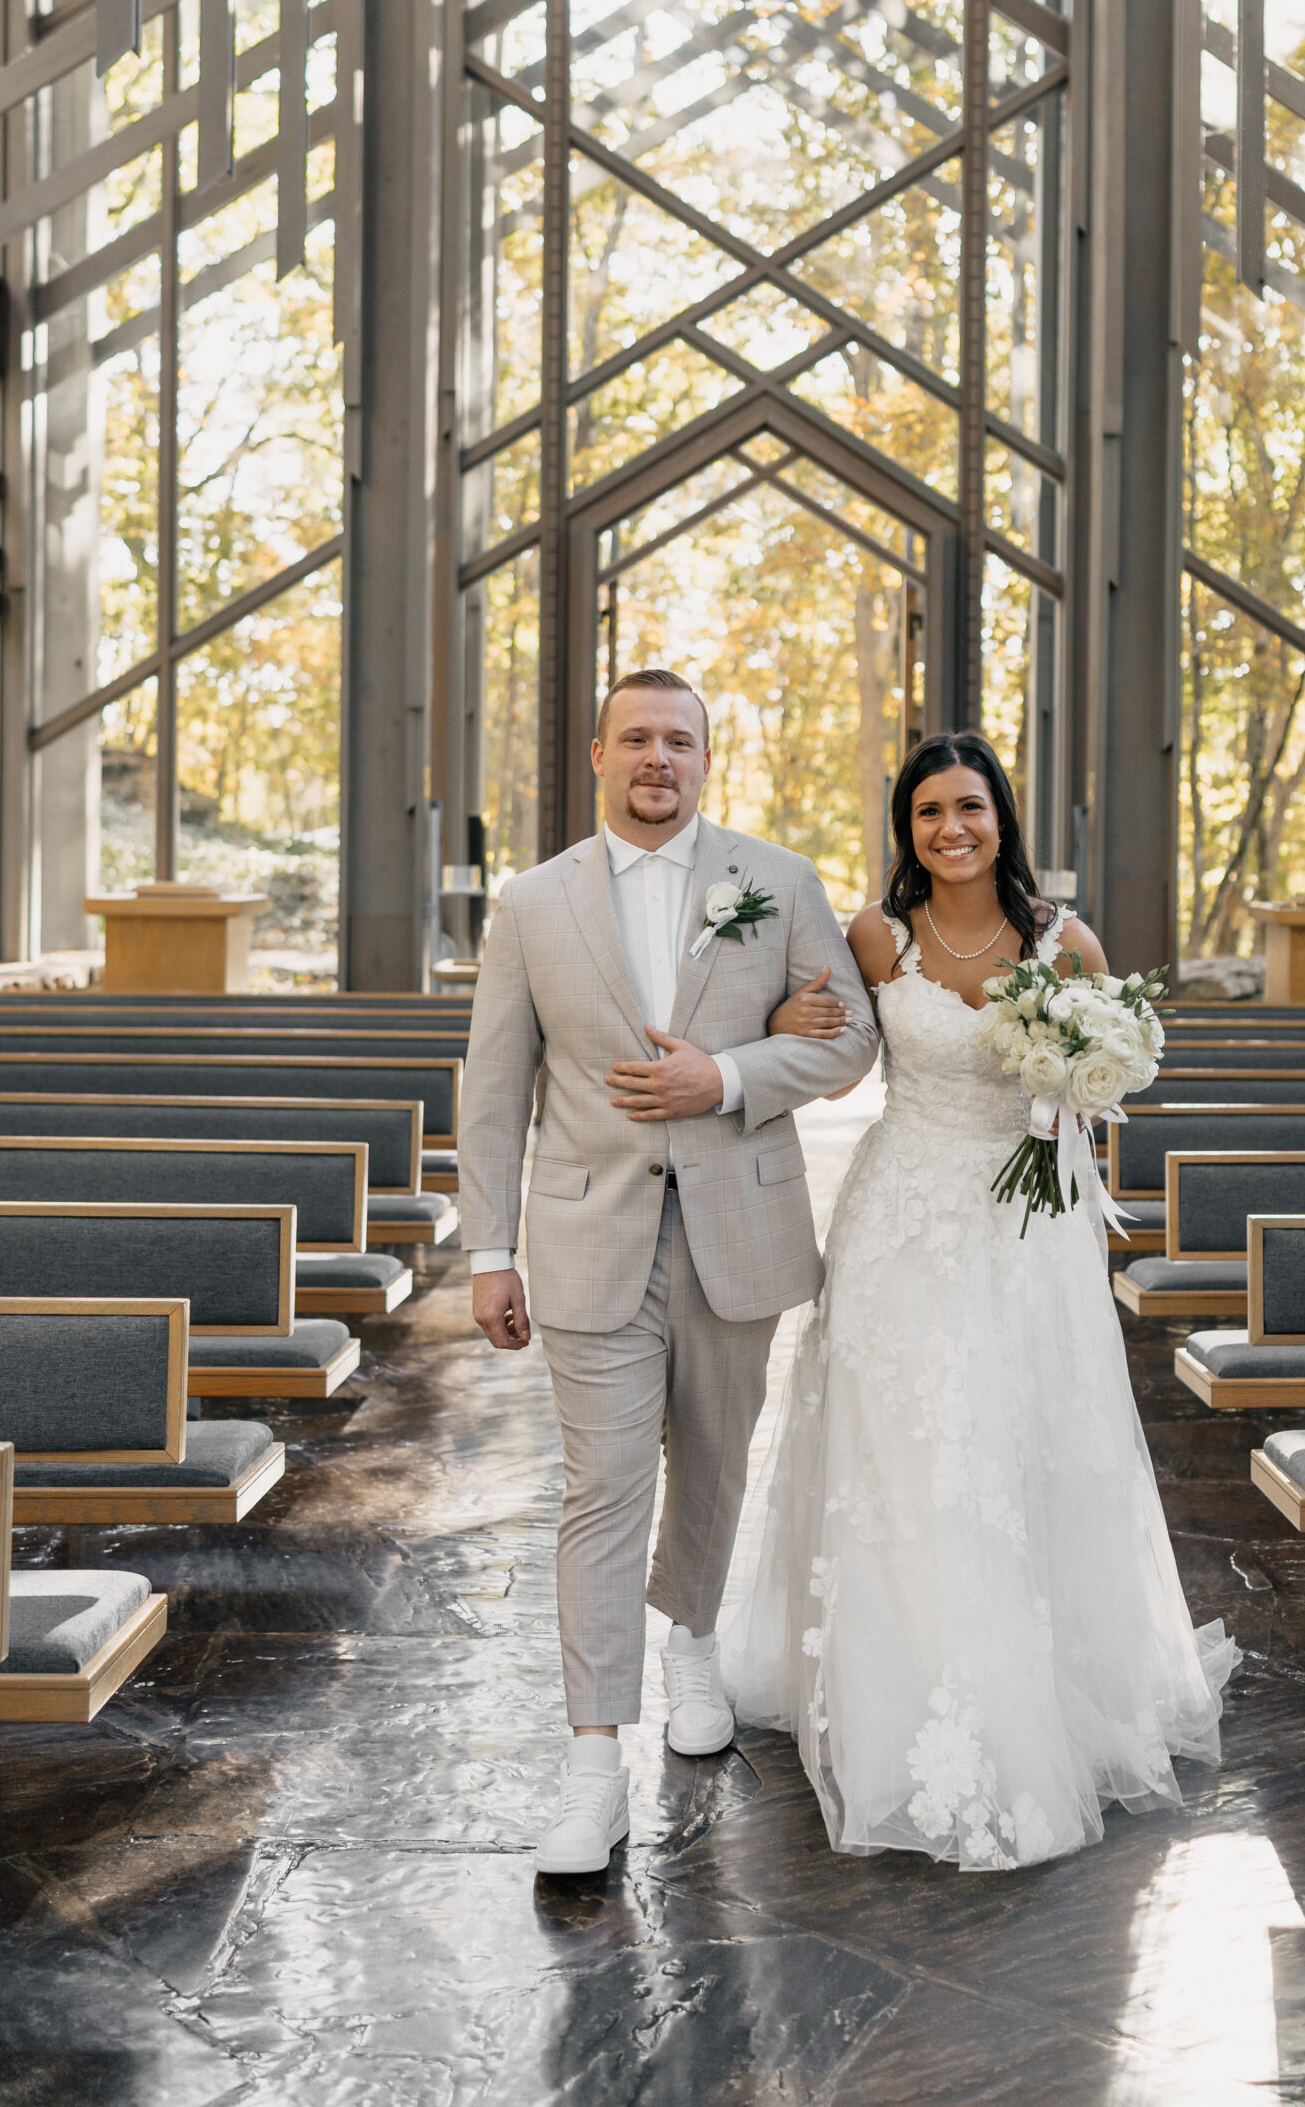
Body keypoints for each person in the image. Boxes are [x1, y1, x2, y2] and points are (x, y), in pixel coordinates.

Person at [722, 731, 1238, 1871]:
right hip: (900, 1213)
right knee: (896, 1449)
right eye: (927, 814)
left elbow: (1110, 1074)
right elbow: (829, 1047)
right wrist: (772, 1030)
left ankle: (1032, 1695)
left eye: (970, 806)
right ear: (905, 830)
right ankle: (889, 1684)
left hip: (1026, 1228)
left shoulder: (1066, 940)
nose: (950, 829)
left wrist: (1077, 1085)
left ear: (1002, 813)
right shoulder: (875, 935)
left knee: (1018, 1446)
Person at [462, 667, 879, 1878]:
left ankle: (693, 1635)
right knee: (601, 1494)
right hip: (588, 1237)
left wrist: (731, 1077)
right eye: (637, 737)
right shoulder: (534, 904)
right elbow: (492, 1089)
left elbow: (851, 1036)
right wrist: (490, 1250)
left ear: (707, 758)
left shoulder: (775, 880)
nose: (659, 758)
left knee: (714, 1456)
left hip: (738, 1231)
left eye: (680, 741)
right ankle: (593, 1769)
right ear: (597, 752)